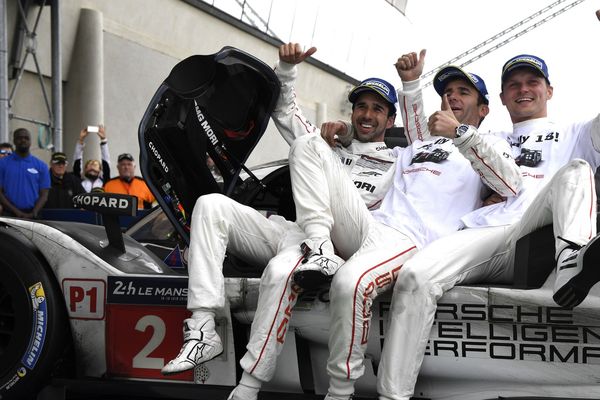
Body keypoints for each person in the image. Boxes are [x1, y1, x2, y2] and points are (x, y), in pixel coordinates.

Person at [160, 43, 397, 395]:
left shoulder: (399, 159)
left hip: (349, 243)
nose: (366, 114)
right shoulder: (328, 143)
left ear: (391, 120)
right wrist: (286, 69)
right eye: (361, 105)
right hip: (300, 232)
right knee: (211, 205)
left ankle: (248, 386)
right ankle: (202, 327)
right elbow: (285, 110)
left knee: (280, 270)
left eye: (377, 109)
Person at [285, 49, 522, 400]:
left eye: (464, 92)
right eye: (448, 92)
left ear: (484, 109)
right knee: (309, 143)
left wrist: (460, 132)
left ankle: (340, 391)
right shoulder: (415, 147)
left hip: (414, 242)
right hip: (370, 226)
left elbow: (510, 185)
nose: (453, 96)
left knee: (351, 283)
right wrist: (352, 128)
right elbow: (410, 125)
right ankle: (319, 246)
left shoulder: (489, 144)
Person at [376, 54, 600, 400]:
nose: (523, 89)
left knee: (577, 170)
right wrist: (348, 134)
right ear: (499, 99)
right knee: (415, 277)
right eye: (513, 84)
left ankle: (572, 259)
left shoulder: (576, 132)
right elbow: (421, 141)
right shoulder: (486, 135)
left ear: (549, 91)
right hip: (483, 233)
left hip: (539, 232)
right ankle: (393, 396)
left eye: (532, 82)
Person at [0, 128, 50, 218]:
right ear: (14, 141)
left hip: (34, 215)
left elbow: (44, 194)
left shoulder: (41, 166)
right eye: (19, 138)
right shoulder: (2, 164)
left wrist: (34, 212)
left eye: (26, 138)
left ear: (30, 141)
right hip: (9, 214)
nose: (23, 140)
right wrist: (16, 212)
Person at [73, 125, 111, 192]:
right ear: (85, 169)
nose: (92, 166)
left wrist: (103, 140)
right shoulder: (80, 182)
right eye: (89, 164)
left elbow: (106, 162)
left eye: (95, 165)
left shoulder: (105, 183)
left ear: (100, 170)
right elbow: (77, 162)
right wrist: (81, 140)